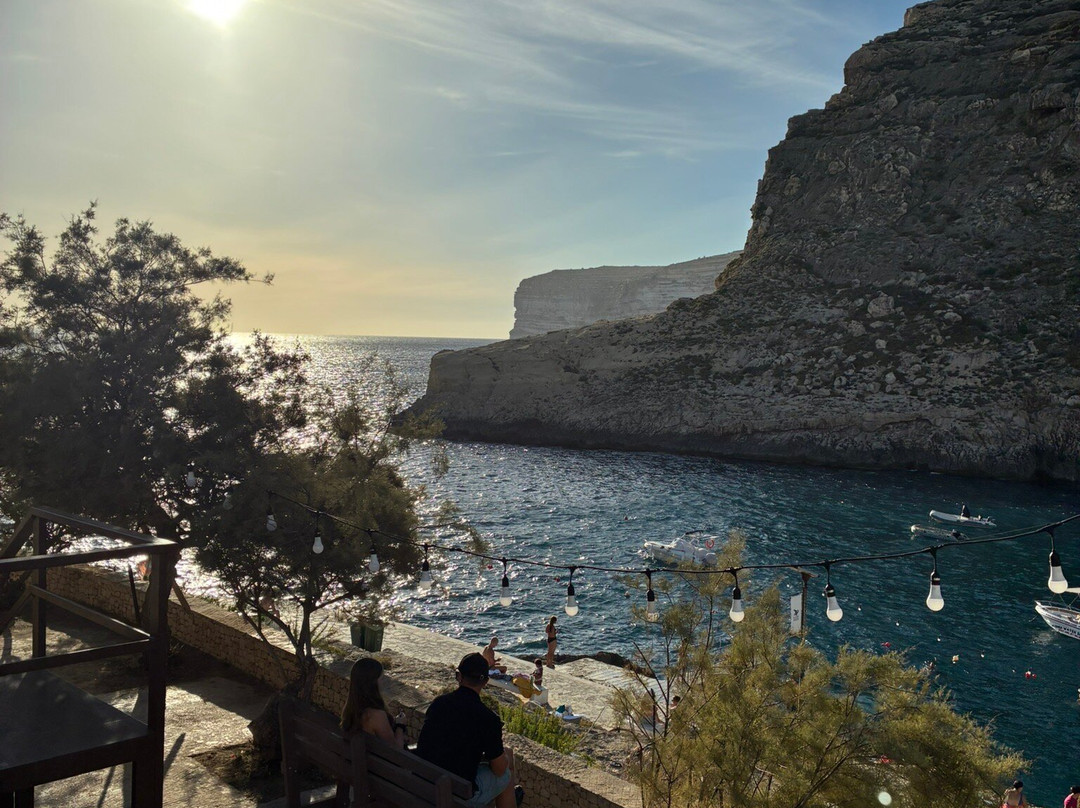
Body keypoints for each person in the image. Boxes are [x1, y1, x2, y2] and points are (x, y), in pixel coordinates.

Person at [416, 653, 521, 808]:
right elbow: (499, 770)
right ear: (485, 682)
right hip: (457, 797)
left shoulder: (439, 704)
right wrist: (505, 758)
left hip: (423, 785)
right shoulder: (488, 719)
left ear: (459, 676)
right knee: (506, 773)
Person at [340, 657, 405, 748]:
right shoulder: (375, 715)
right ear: (373, 683)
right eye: (382, 678)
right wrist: (400, 726)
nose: (383, 682)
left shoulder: (351, 708)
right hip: (372, 757)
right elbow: (396, 749)